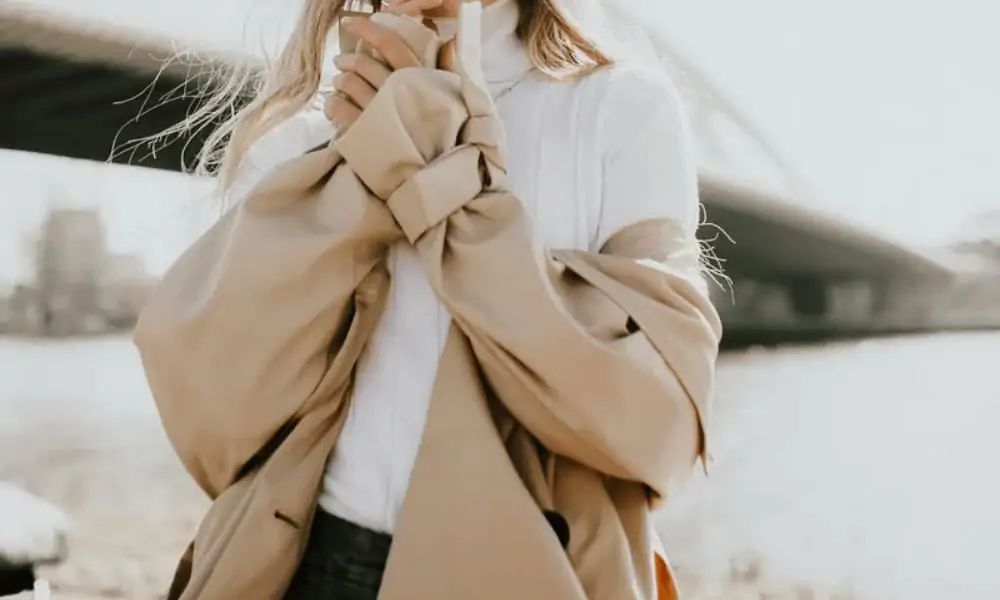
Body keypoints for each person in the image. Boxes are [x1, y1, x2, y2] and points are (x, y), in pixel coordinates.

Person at [135, 0, 722, 599]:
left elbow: (660, 420)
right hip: (303, 569)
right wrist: (356, 175)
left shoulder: (619, 109)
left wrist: (441, 179)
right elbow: (214, 417)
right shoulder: (302, 132)